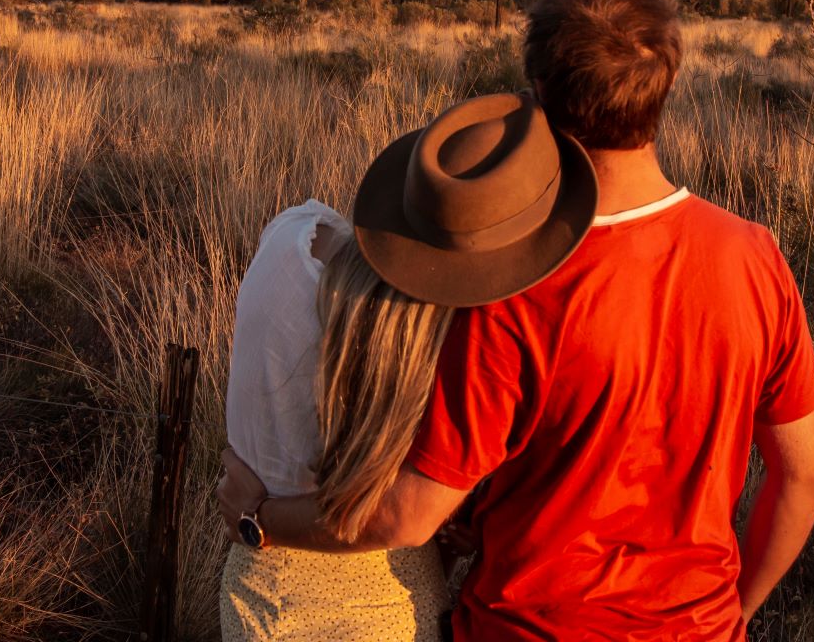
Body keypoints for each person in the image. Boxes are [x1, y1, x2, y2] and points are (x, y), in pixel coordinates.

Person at [220, 0, 814, 640]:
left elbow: (411, 515)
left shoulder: (512, 291)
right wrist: (733, 614)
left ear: (538, 92)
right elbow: (804, 478)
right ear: (665, 86)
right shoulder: (757, 258)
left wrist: (261, 519)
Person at [220, 88, 599, 640]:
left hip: (258, 589)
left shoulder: (289, 235)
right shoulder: (449, 352)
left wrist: (256, 513)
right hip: (394, 602)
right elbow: (414, 513)